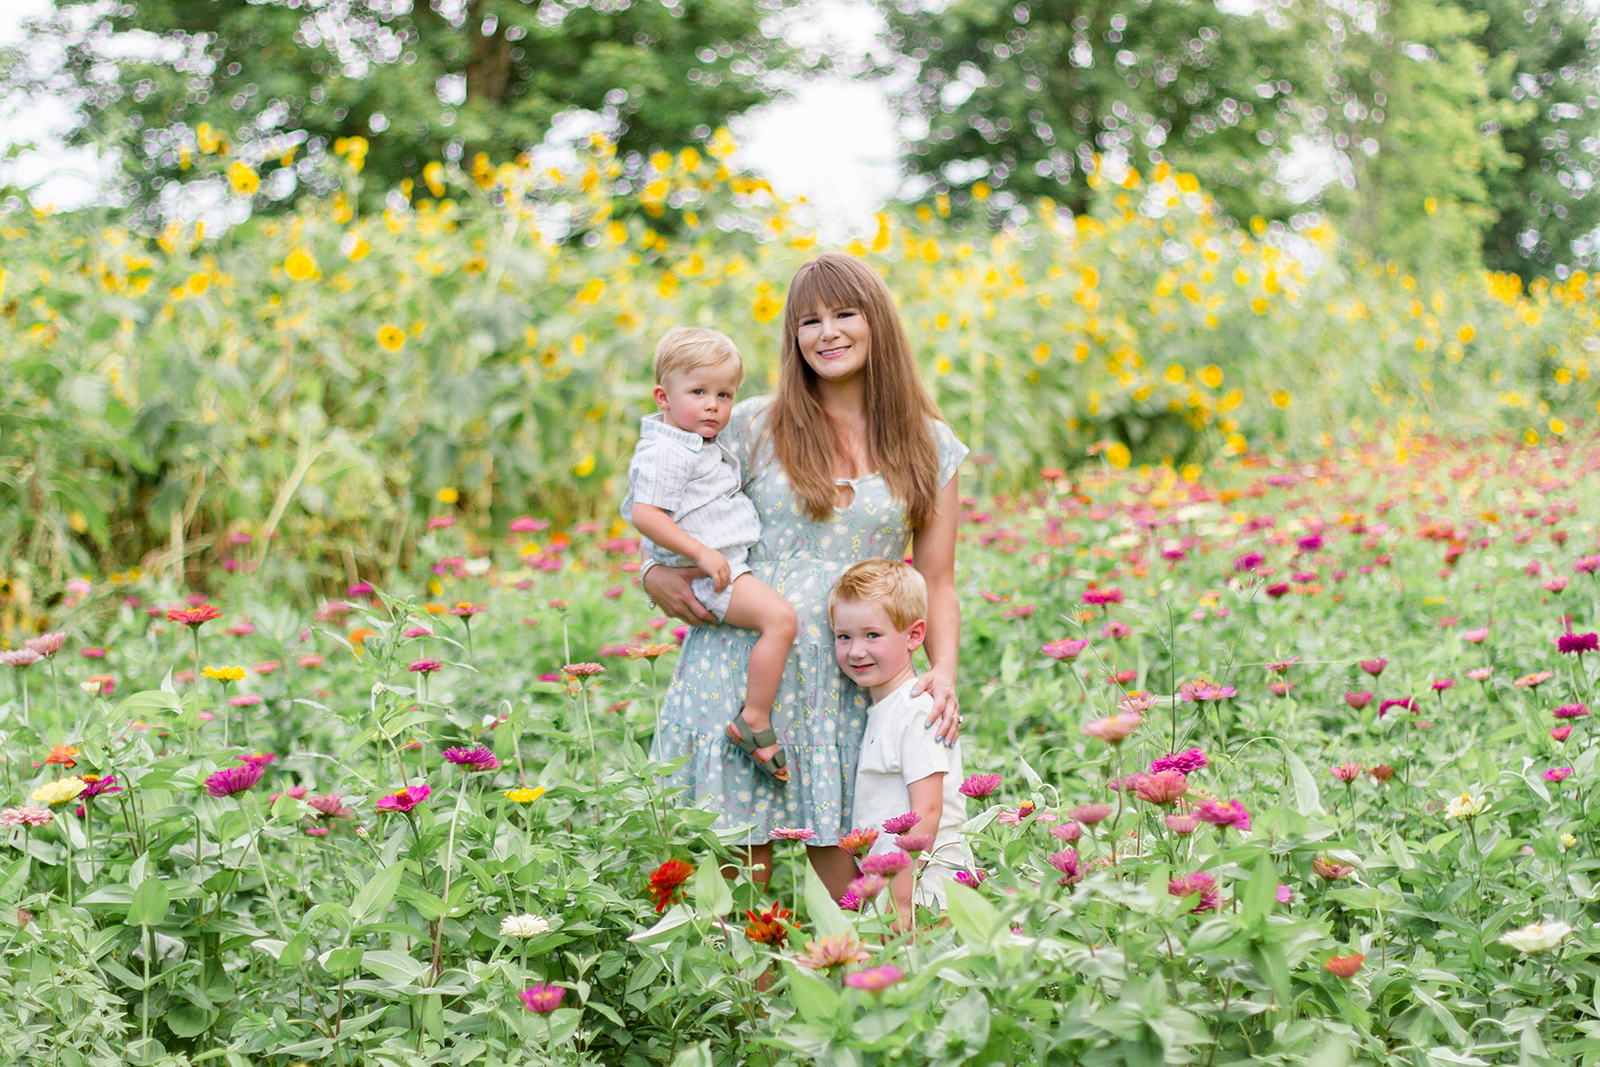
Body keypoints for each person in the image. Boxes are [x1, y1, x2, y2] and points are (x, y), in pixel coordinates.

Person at [640, 252, 966, 900]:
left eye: (845, 313)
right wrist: (653, 571)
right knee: (742, 880)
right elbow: (663, 488)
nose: (828, 332)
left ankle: (862, 993)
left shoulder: (928, 443)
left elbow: (938, 576)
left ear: (878, 323)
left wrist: (944, 672)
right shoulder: (751, 423)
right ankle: (749, 1004)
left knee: (862, 877)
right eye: (809, 319)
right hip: (745, 668)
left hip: (855, 679)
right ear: (793, 336)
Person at [622, 328, 800, 782]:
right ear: (663, 396)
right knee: (780, 620)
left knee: (778, 620)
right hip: (711, 574)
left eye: (724, 394)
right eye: (698, 392)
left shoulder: (694, 443)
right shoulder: (666, 450)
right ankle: (754, 719)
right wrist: (699, 552)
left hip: (720, 565)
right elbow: (645, 513)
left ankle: (755, 715)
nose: (713, 405)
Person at [830, 559, 968, 918]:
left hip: (927, 891)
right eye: (844, 636)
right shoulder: (883, 708)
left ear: (914, 636)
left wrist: (903, 900)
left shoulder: (917, 710)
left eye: (872, 635)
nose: (856, 650)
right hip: (894, 886)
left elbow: (928, 810)